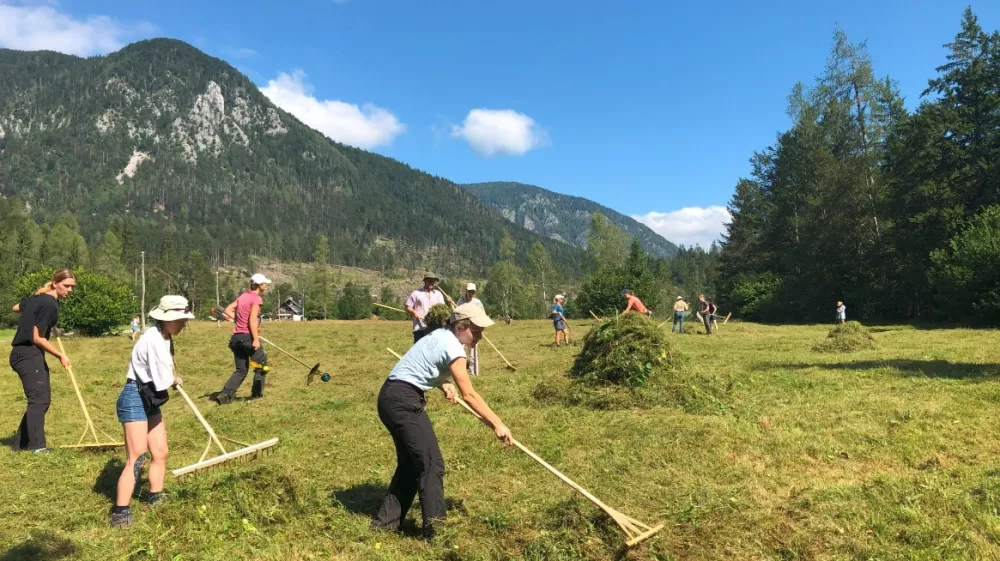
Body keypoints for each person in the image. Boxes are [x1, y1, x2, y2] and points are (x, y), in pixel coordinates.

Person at [371, 303, 513, 540]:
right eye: (475, 331)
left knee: (411, 464)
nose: (479, 336)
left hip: (390, 396)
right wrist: (497, 423)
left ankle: (385, 523)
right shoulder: (454, 347)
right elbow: (469, 394)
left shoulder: (439, 335)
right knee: (430, 463)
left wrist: (443, 382)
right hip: (403, 401)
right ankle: (436, 530)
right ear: (460, 327)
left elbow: (423, 364)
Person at [110, 295, 193, 528]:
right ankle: (120, 510)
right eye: (180, 319)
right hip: (134, 396)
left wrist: (172, 378)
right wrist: (173, 379)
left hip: (149, 397)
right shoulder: (153, 339)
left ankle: (155, 494)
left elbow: (161, 376)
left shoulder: (164, 337)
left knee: (161, 451)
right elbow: (161, 379)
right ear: (166, 319)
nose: (183, 324)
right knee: (137, 456)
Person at [9, 268, 76, 453]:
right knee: (38, 400)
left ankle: (21, 443)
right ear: (55, 283)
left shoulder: (39, 299)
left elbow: (16, 307)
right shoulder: (50, 304)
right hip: (28, 352)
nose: (70, 290)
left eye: (72, 287)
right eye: (66, 286)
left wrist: (32, 310)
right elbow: (38, 338)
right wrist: (60, 355)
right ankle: (38, 446)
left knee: (41, 399)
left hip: (24, 353)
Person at [215, 273, 271, 404]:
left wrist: (238, 320)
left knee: (241, 369)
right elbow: (252, 320)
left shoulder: (243, 296)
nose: (266, 286)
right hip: (247, 338)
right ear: (259, 285)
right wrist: (255, 339)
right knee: (261, 366)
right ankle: (257, 396)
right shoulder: (256, 299)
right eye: (265, 284)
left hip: (236, 338)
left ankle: (225, 395)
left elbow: (228, 309)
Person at [405, 275, 447, 344]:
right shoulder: (416, 293)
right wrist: (415, 312)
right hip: (420, 327)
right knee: (419, 350)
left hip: (435, 327)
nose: (431, 283)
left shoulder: (438, 294)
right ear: (425, 281)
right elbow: (407, 307)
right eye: (429, 281)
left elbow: (442, 309)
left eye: (433, 281)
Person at [456, 283, 483, 375]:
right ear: (466, 291)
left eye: (473, 292)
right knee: (459, 351)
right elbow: (456, 313)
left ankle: (474, 373)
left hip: (473, 330)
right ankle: (461, 371)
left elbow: (482, 314)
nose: (471, 293)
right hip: (462, 329)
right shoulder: (461, 301)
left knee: (472, 353)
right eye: (469, 291)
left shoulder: (477, 302)